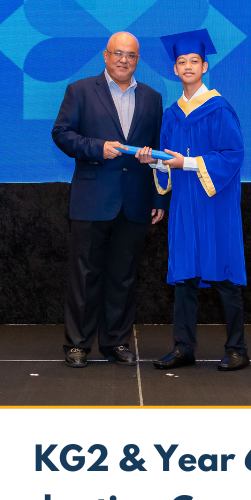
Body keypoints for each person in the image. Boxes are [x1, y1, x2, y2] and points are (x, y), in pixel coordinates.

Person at [135, 29, 249, 372]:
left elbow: (232, 155)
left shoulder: (219, 109)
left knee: (223, 274)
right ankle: (184, 347)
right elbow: (168, 163)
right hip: (185, 204)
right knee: (184, 276)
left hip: (215, 205)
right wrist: (153, 161)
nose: (187, 66)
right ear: (174, 69)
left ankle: (237, 348)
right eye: (182, 61)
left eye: (194, 61)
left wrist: (185, 162)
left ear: (204, 66)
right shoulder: (172, 114)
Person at [52, 32, 168, 368]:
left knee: (124, 276)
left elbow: (158, 152)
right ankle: (78, 344)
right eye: (118, 53)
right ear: (105, 55)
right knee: (84, 276)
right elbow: (62, 133)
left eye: (130, 55)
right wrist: (97, 148)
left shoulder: (153, 97)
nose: (123, 60)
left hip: (136, 201)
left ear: (138, 60)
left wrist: (159, 198)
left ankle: (116, 341)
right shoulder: (80, 90)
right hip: (92, 198)